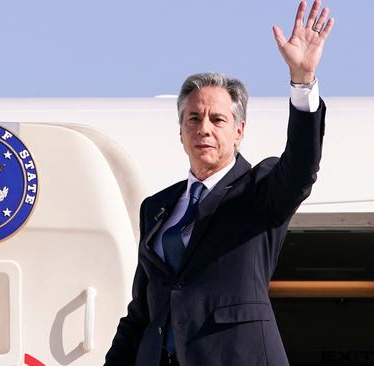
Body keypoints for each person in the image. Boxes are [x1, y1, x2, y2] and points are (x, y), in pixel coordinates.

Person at [104, 1, 334, 365]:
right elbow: (142, 313)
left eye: (217, 119)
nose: (204, 128)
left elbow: (302, 167)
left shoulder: (259, 189)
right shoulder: (157, 208)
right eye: (193, 118)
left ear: (239, 131)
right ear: (181, 132)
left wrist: (303, 82)